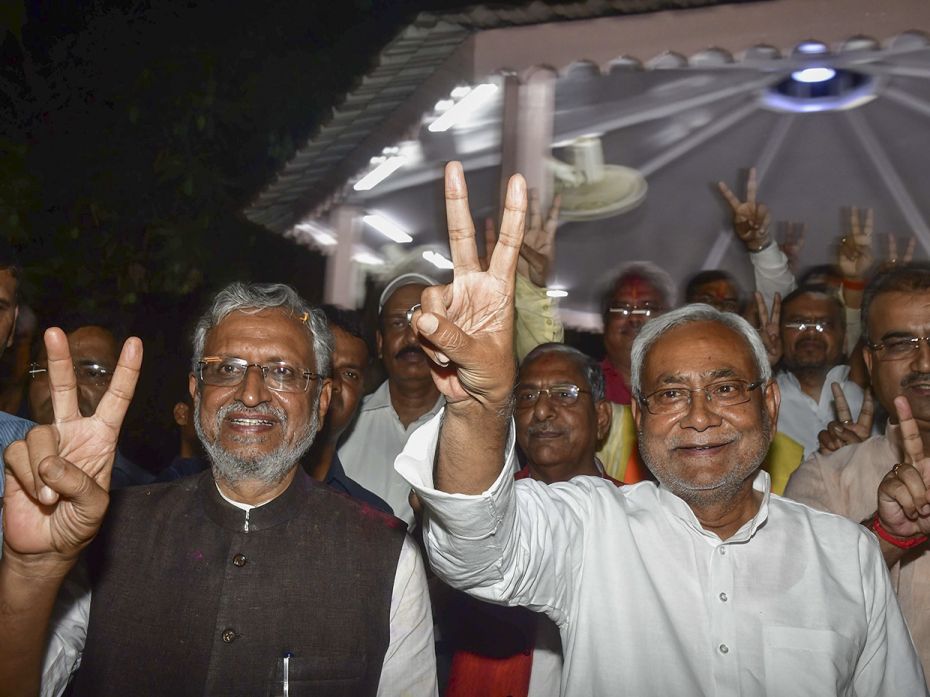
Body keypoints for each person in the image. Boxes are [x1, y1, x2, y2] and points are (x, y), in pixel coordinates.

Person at [397, 237, 927, 697]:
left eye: (723, 389)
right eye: (671, 393)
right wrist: (480, 403)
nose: (699, 416)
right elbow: (477, 549)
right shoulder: (590, 526)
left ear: (768, 403)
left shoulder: (844, 553)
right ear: (640, 414)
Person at [0, 282, 436, 696]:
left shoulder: (387, 555)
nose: (250, 394)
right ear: (196, 391)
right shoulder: (108, 530)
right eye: (227, 368)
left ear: (321, 401)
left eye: (282, 372)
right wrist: (31, 572)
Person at [443, 343, 618, 697]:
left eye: (564, 394)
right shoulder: (479, 509)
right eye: (526, 396)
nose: (540, 411)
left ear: (601, 418)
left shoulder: (636, 516)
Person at [784, 263, 930, 679]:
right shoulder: (824, 478)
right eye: (901, 344)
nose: (924, 362)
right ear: (869, 360)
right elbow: (795, 610)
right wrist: (886, 538)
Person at [338, 272, 444, 527]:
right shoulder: (343, 422)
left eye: (422, 323)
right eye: (398, 324)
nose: (410, 338)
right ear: (380, 342)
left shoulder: (472, 429)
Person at [26, 316, 154, 487]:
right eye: (50, 370)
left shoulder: (145, 496)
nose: (68, 383)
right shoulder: (5, 466)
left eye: (92, 373)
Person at [596, 261, 674, 482]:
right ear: (604, 321)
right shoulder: (583, 388)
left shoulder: (687, 389)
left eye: (647, 307)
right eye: (621, 308)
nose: (635, 318)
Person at [773, 285, 867, 459]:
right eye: (798, 323)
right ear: (777, 336)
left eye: (824, 324)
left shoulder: (870, 403)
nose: (810, 332)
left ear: (845, 339)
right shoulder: (763, 404)